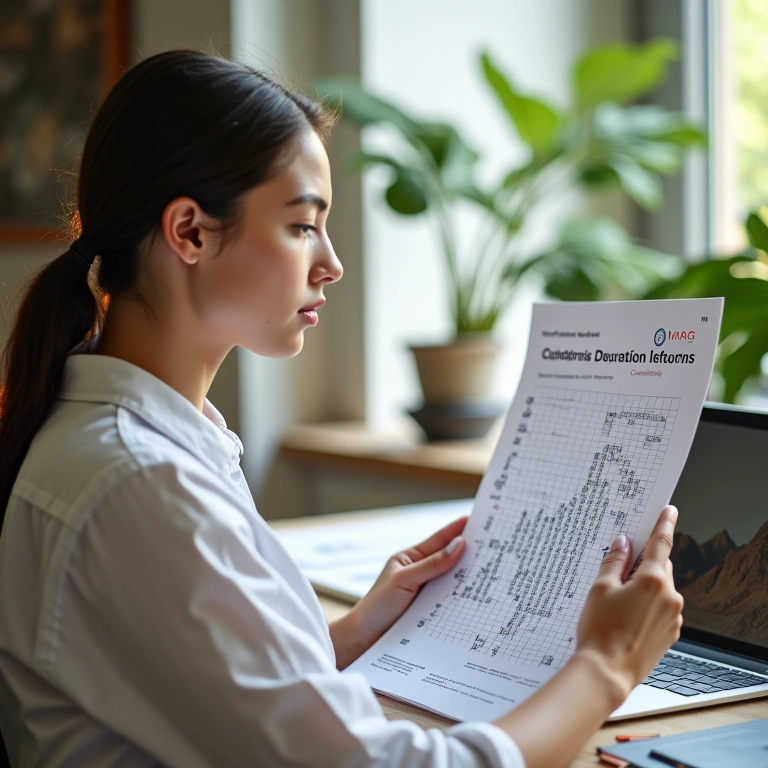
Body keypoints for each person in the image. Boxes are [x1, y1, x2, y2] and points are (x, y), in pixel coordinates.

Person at [0, 50, 683, 768]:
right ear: (190, 232)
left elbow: (187, 683)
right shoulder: (140, 483)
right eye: (303, 226)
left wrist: (352, 633)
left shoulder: (120, 437)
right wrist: (606, 665)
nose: (331, 263)